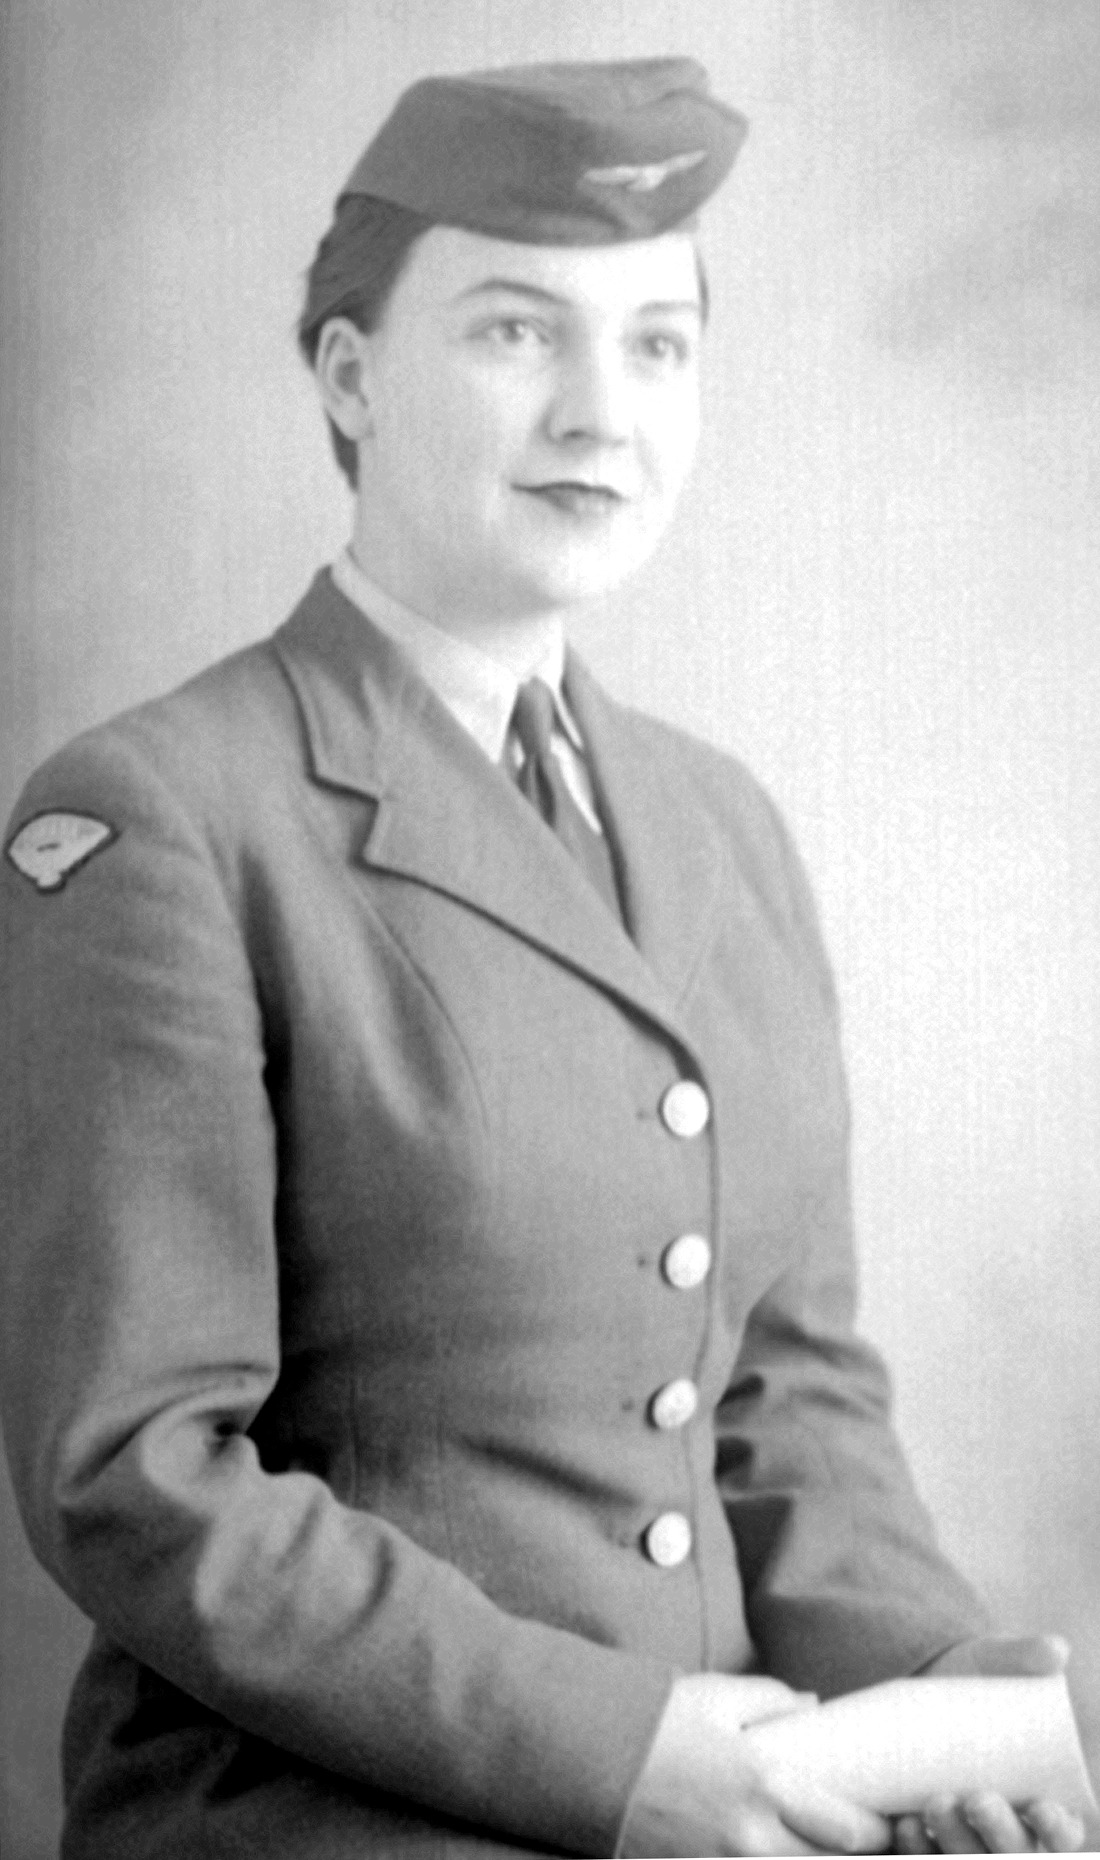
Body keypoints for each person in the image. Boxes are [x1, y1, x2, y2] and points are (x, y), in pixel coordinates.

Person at [0, 57, 1086, 1860]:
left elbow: (783, 1397)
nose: (604, 410)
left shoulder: (721, 823)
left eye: (658, 346)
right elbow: (136, 1472)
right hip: (319, 1814)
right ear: (348, 377)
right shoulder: (157, 815)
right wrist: (619, 1754)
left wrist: (943, 1702)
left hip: (739, 1793)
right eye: (517, 332)